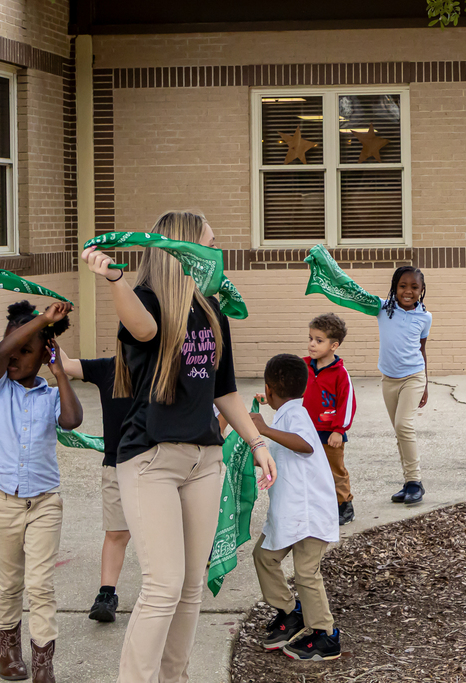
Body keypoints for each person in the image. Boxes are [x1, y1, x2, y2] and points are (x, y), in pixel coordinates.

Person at [81, 210, 276, 683]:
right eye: (209, 244)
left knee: (190, 587)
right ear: (185, 249)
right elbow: (143, 330)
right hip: (151, 460)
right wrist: (115, 281)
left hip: (204, 460)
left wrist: (255, 441)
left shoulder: (212, 309)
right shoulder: (146, 299)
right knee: (163, 586)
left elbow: (223, 389)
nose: (217, 252)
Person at [0, 300, 82, 683]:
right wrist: (41, 320)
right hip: (3, 502)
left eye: (27, 351)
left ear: (43, 355)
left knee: (41, 585)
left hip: (44, 504)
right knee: (10, 583)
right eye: (13, 347)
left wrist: (61, 374)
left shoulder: (51, 396)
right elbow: (0, 353)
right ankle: (8, 651)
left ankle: (43, 666)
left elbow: (72, 421)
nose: (14, 358)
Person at [249, 354, 342, 661]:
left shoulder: (296, 416)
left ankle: (325, 634)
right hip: (292, 513)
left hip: (310, 514)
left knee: (306, 572)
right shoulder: (287, 413)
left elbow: (305, 445)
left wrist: (263, 428)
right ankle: (292, 612)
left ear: (269, 389)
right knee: (264, 556)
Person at [58, 349, 132, 623]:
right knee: (116, 533)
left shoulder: (161, 369)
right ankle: (106, 594)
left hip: (155, 465)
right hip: (116, 464)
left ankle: (165, 592)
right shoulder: (107, 368)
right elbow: (64, 364)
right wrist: (44, 325)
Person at [378, 266, 432, 506]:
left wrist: (426, 383)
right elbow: (352, 294)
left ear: (421, 290)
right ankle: (410, 482)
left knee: (404, 426)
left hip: (413, 377)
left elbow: (422, 349)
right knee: (400, 432)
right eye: (403, 286)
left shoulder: (424, 317)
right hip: (389, 379)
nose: (408, 291)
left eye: (414, 287)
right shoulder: (382, 309)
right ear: (394, 287)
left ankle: (415, 482)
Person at [302, 313, 356, 526]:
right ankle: (318, 505)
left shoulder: (340, 373)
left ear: (334, 345)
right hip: (307, 430)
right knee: (311, 470)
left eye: (318, 340)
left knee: (335, 470)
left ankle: (344, 505)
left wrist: (339, 430)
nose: (312, 345)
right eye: (310, 339)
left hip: (330, 432)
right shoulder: (303, 366)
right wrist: (270, 397)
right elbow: (290, 389)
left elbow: (347, 403)